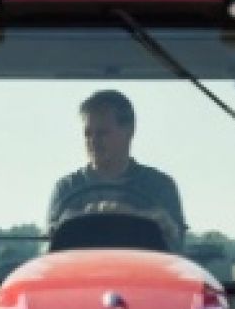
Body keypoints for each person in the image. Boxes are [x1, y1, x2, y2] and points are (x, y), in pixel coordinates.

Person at [47, 90, 186, 249]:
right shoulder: (66, 189)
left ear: (130, 131)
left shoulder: (160, 187)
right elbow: (49, 251)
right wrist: (73, 222)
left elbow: (175, 250)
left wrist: (135, 218)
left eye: (102, 133)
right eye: (88, 134)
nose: (93, 141)